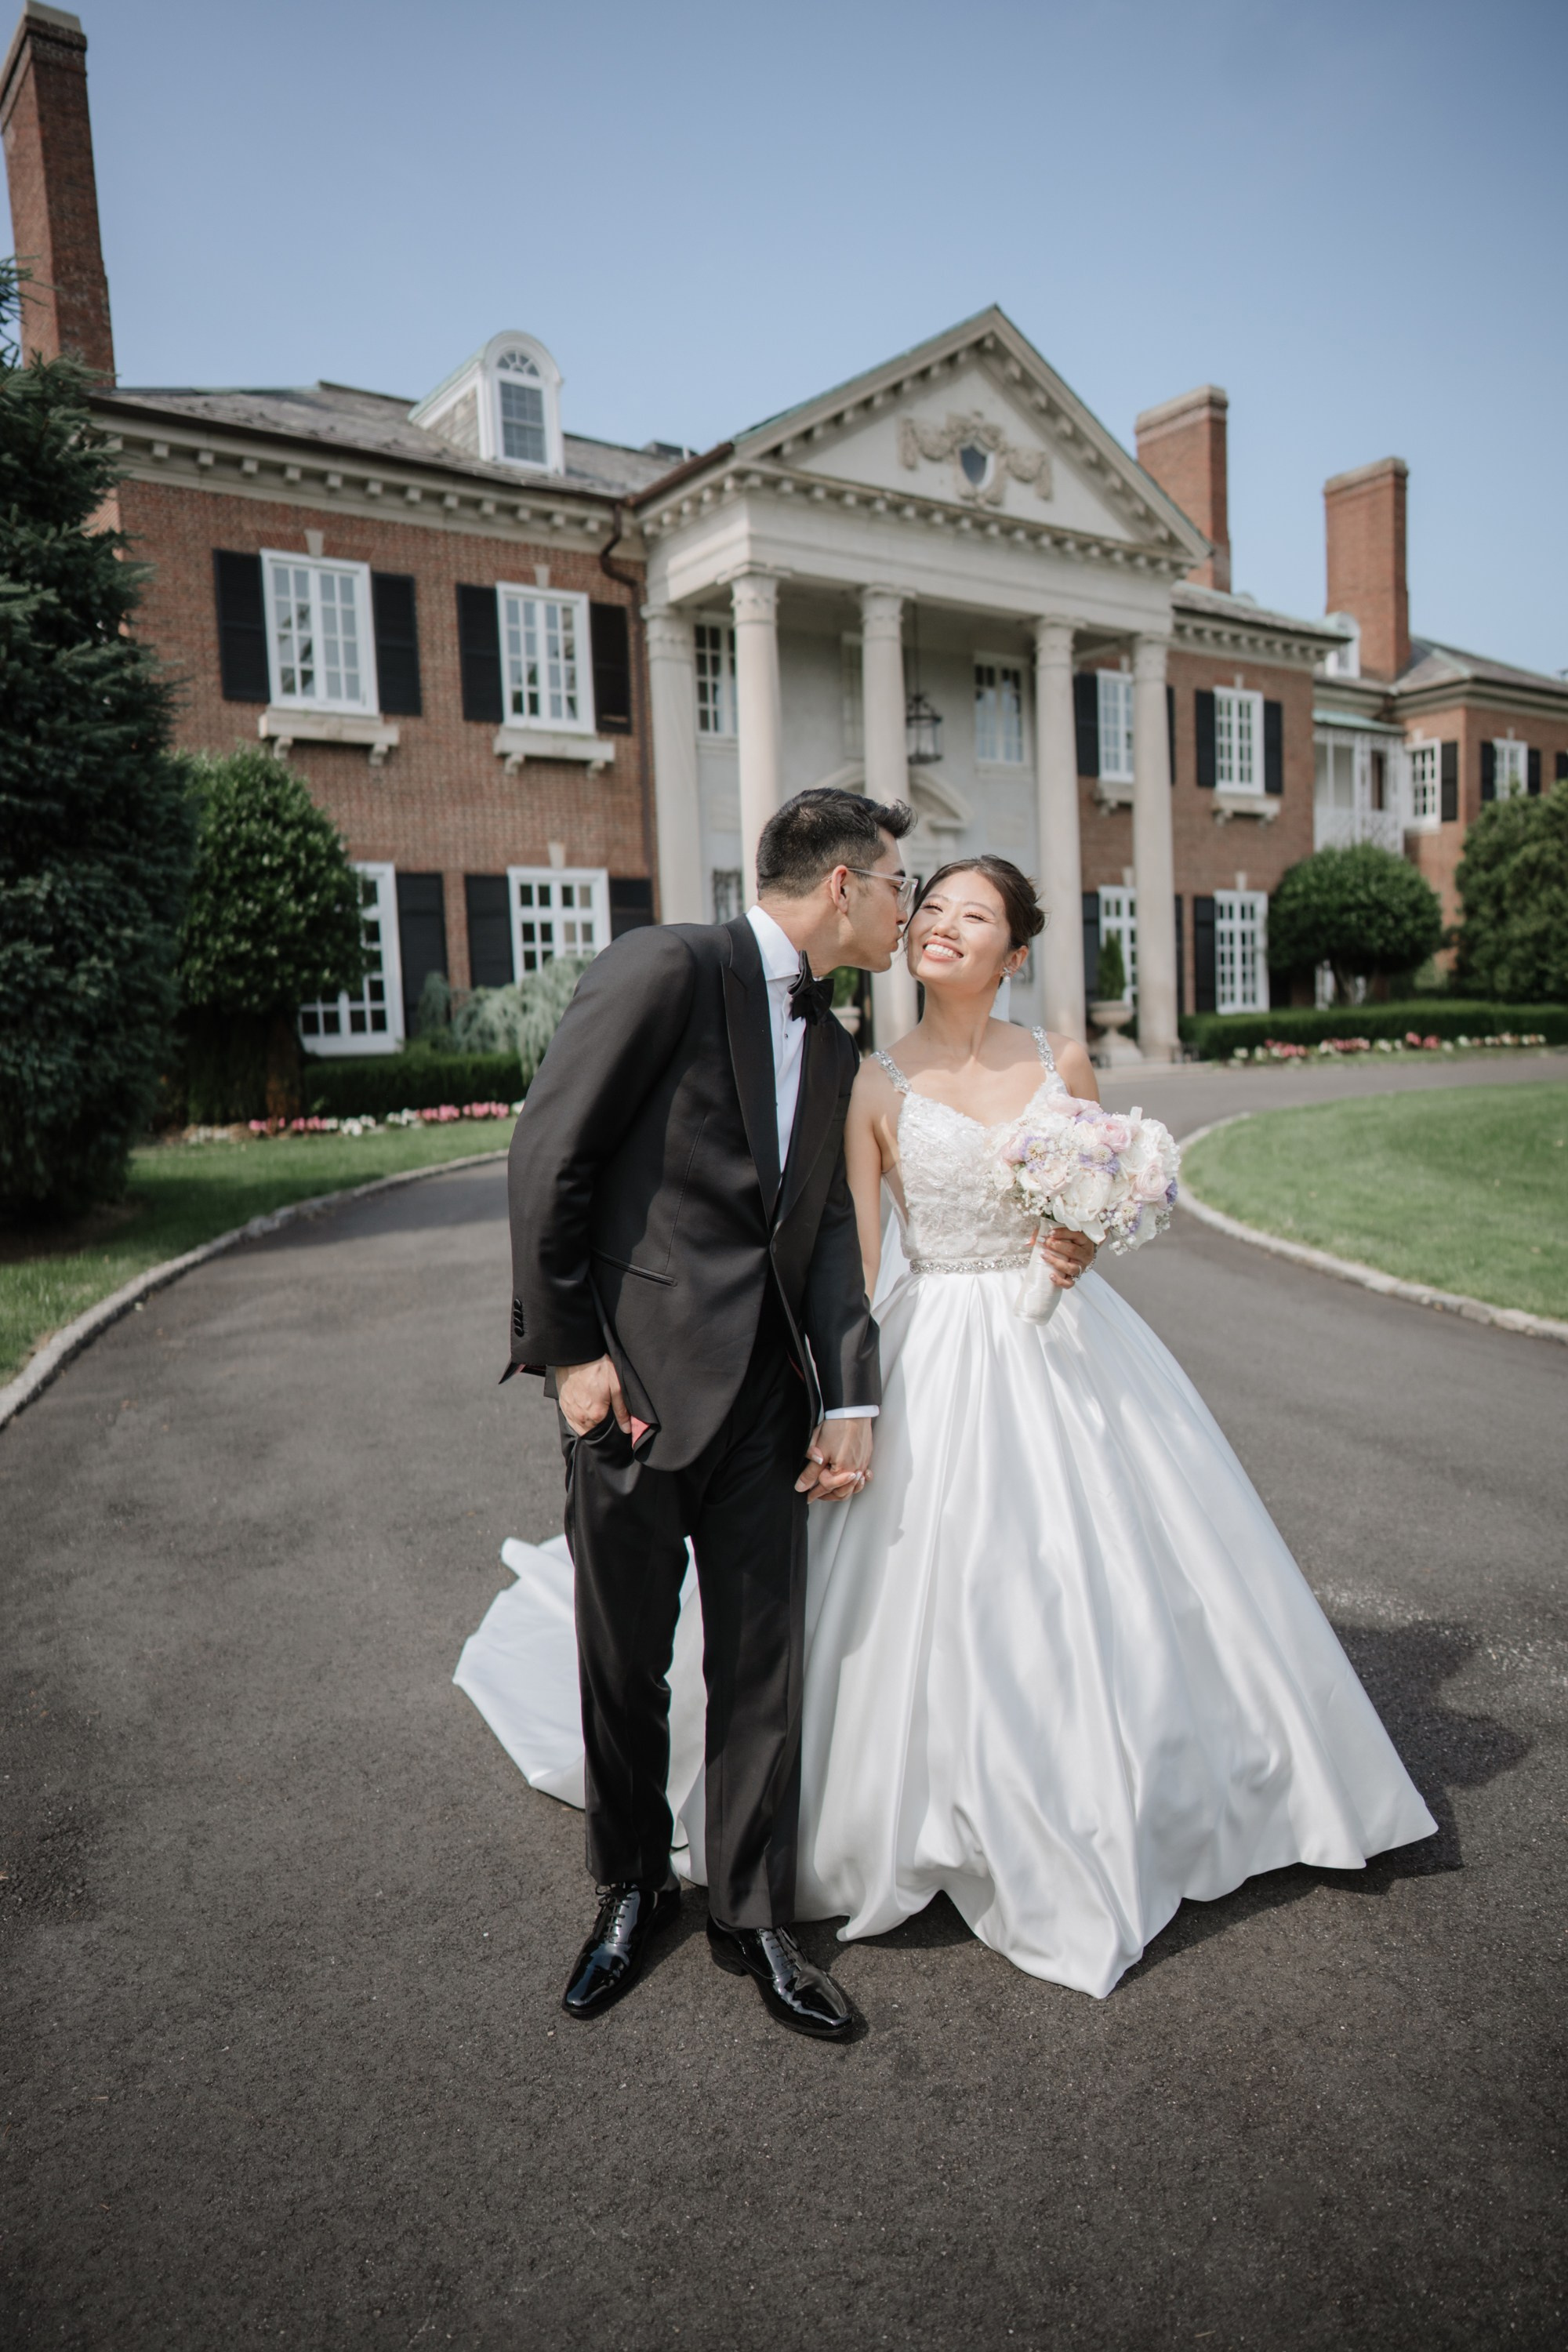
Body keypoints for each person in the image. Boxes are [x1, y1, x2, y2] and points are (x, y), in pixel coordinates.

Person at [468, 854, 1435, 2005]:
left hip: (1064, 1354)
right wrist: (845, 1396)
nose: (936, 925)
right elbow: (851, 1256)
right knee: (860, 1605)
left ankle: (1075, 1806)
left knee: (1087, 1584)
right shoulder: (866, 1075)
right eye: (924, 906)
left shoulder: (1054, 1058)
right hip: (931, 1345)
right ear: (864, 899)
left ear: (1014, 951)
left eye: (970, 915)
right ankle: (660, 1879)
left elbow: (1094, 1194)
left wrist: (1080, 1242)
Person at [499, 787, 917, 2041]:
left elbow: (834, 1231)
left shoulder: (836, 1041)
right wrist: (571, 1358)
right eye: (902, 882)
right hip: (628, 1385)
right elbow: (549, 1155)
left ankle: (752, 1913)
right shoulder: (670, 966)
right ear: (845, 884)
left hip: (766, 1406)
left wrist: (848, 1391)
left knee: (759, 1666)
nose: (910, 905)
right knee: (623, 1656)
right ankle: (629, 1887)